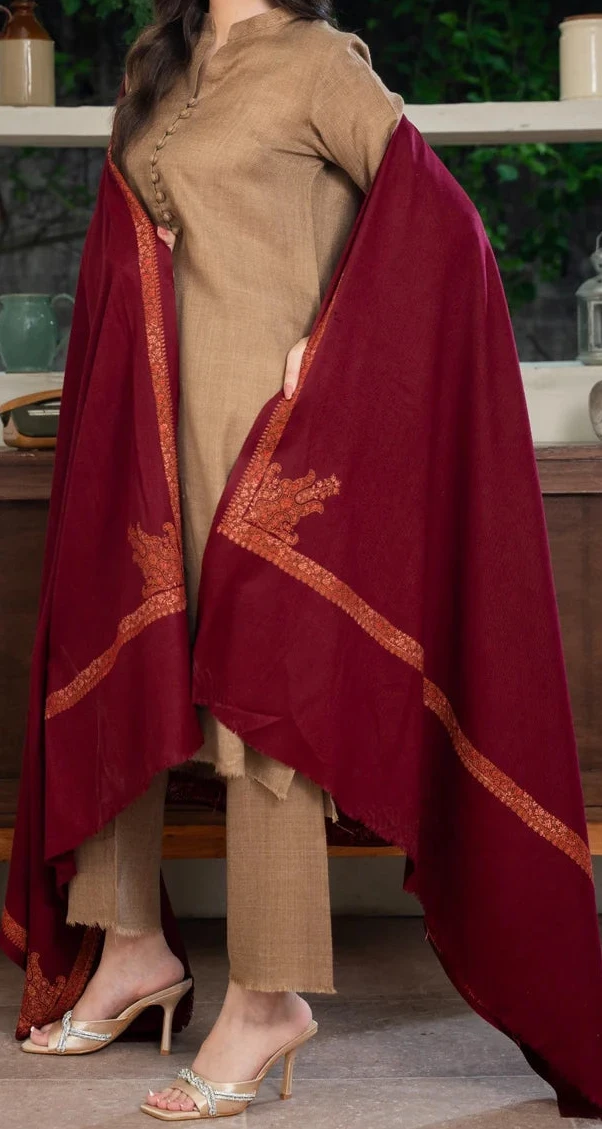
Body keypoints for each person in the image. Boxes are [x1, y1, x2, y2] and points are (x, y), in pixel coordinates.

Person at [22, 0, 405, 1118]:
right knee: (121, 663)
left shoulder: (321, 63)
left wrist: (336, 340)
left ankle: (267, 996)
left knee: (260, 700)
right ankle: (129, 946)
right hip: (145, 435)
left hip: (268, 438)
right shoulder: (164, 61)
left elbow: (428, 222)